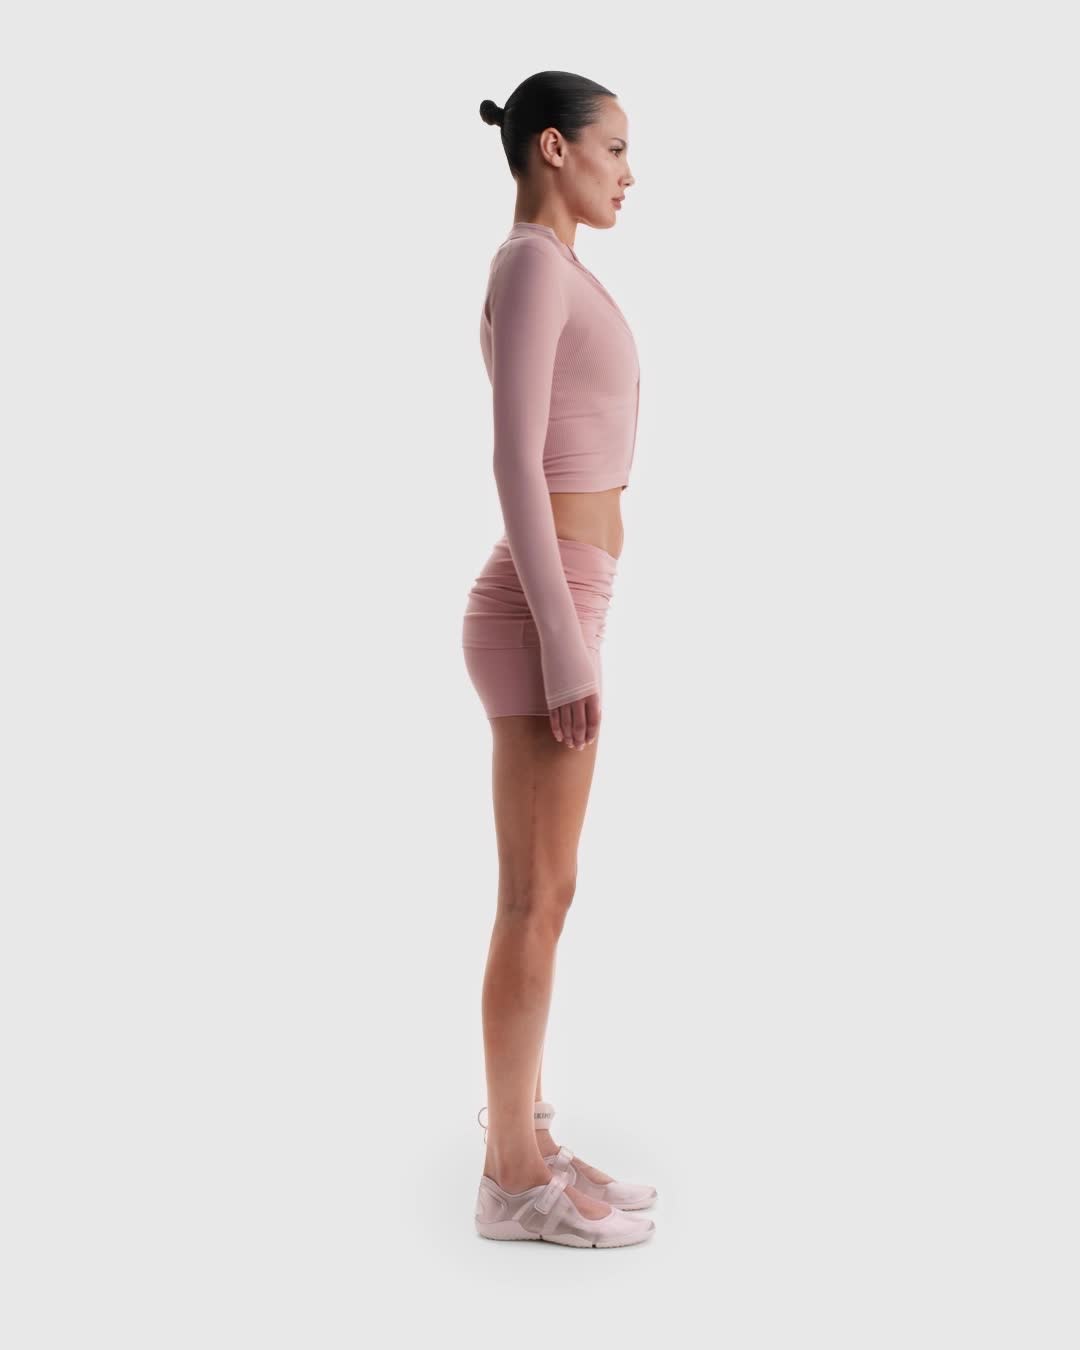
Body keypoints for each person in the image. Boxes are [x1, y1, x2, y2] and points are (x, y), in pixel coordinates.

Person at [463, 71, 657, 1248]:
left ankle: (523, 1135)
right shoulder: (534, 264)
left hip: (566, 602)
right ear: (552, 147)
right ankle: (510, 1180)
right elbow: (515, 461)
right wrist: (565, 643)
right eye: (615, 149)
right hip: (545, 612)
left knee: (549, 890)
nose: (629, 172)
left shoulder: (558, 267)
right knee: (534, 897)